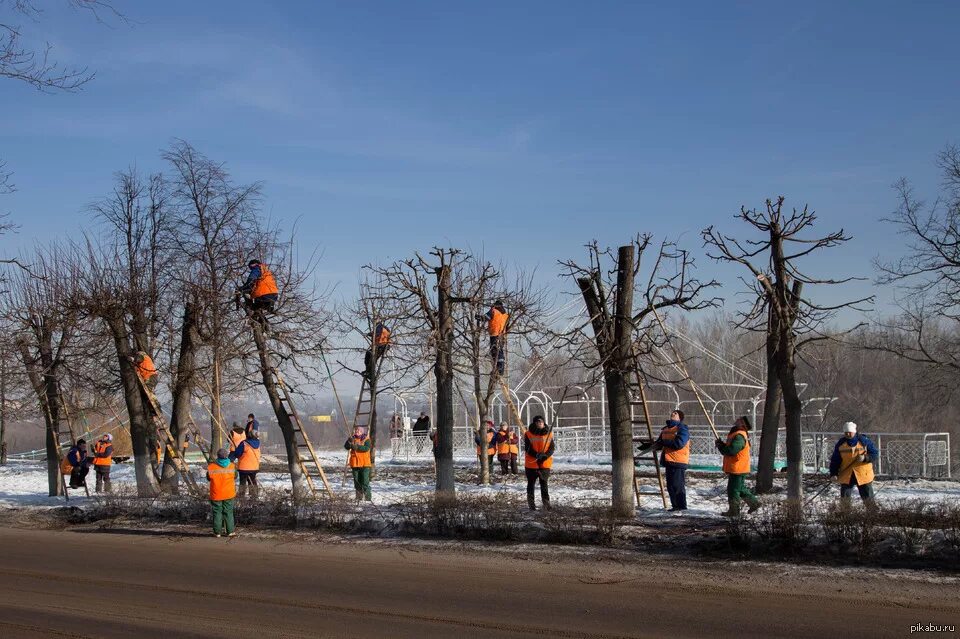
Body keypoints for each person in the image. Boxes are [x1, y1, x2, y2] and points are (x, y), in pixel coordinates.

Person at [638, 409, 690, 511]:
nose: (673, 413)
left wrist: (664, 442)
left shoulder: (682, 429)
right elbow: (660, 443)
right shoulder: (666, 429)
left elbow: (678, 444)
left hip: (678, 461)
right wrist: (648, 445)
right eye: (673, 412)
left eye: (676, 413)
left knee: (677, 486)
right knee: (670, 486)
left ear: (680, 418)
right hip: (668, 460)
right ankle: (675, 506)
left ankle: (682, 507)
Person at [715, 416, 761, 516]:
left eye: (739, 419)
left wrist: (721, 446)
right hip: (737, 466)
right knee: (739, 488)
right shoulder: (737, 434)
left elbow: (731, 451)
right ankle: (754, 503)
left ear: (742, 424)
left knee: (733, 490)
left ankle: (734, 511)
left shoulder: (739, 436)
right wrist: (721, 444)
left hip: (738, 467)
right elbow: (730, 448)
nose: (736, 420)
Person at [829, 421, 879, 506]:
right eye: (846, 432)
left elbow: (875, 454)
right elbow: (835, 460)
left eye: (850, 432)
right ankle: (846, 516)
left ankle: (872, 516)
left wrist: (865, 458)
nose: (848, 434)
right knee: (845, 501)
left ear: (854, 432)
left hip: (863, 475)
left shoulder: (864, 441)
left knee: (868, 499)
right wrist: (833, 473)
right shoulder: (841, 444)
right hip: (846, 474)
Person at [524, 415, 554, 511]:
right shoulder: (528, 434)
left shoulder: (549, 433)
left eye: (541, 421)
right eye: (538, 422)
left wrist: (545, 455)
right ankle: (531, 504)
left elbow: (552, 448)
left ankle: (546, 503)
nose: (540, 423)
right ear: (534, 423)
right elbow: (527, 448)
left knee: (544, 484)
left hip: (544, 463)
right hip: (532, 463)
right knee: (531, 484)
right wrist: (536, 455)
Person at [206, 448, 237, 537]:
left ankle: (217, 532)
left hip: (216, 494)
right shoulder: (232, 466)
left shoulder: (211, 466)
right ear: (227, 455)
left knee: (217, 513)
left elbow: (208, 478)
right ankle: (230, 531)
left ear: (218, 456)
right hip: (228, 493)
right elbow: (235, 476)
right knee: (228, 512)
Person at [477, 300, 509, 375]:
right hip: (502, 335)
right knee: (500, 351)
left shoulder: (494, 311)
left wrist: (478, 317)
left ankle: (499, 368)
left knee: (494, 351)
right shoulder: (506, 315)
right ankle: (500, 368)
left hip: (494, 334)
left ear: (496, 305)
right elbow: (507, 327)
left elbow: (486, 317)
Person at [230, 430, 261, 499]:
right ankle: (254, 496)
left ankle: (241, 497)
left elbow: (237, 454)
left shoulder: (244, 443)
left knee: (243, 483)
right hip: (254, 467)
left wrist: (236, 450)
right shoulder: (258, 443)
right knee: (252, 481)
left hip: (244, 467)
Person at [345, 425, 373, 501]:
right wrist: (348, 441)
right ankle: (359, 498)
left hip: (364, 464)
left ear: (362, 432)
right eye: (356, 430)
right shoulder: (352, 438)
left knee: (365, 482)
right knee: (357, 482)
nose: (357, 431)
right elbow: (346, 447)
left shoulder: (366, 439)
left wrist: (357, 447)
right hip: (355, 464)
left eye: (359, 430)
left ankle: (368, 498)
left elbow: (366, 448)